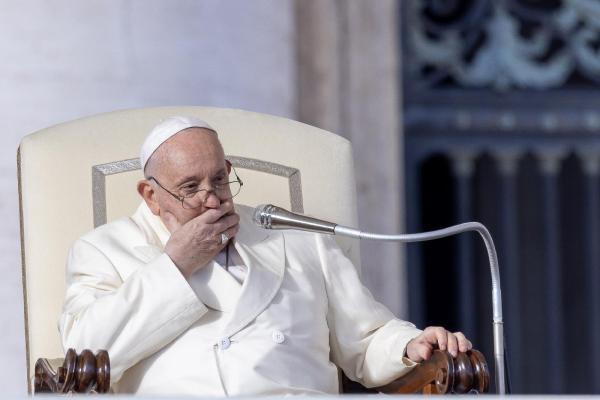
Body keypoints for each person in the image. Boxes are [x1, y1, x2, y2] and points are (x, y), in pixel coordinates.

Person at [59, 116, 472, 396]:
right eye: (190, 188)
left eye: (219, 179)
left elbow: (364, 338)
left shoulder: (295, 236)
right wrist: (176, 266)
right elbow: (85, 353)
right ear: (150, 195)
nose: (212, 200)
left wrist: (409, 344)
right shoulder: (104, 249)